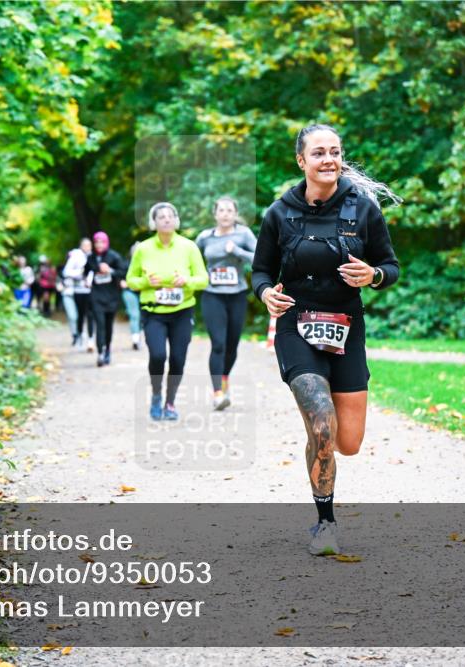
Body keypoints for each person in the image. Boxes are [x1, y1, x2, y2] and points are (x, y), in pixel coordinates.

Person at [251, 123, 400, 556]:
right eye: (318, 153)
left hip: (347, 327)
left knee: (346, 442)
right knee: (321, 422)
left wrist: (372, 276)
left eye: (335, 151)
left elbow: (390, 266)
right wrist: (266, 293)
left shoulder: (363, 209)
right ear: (302, 161)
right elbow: (261, 271)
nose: (329, 159)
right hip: (296, 325)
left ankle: (324, 445)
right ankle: (325, 523)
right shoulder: (280, 213)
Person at [126, 202, 208, 421]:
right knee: (158, 355)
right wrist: (146, 281)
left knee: (178, 359)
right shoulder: (143, 249)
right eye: (161, 216)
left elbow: (203, 279)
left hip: (182, 311)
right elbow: (130, 281)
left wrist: (186, 281)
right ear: (154, 222)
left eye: (170, 215)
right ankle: (155, 394)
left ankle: (170, 402)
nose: (166, 219)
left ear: (176, 220)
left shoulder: (188, 247)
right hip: (153, 312)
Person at [195, 197, 257, 411]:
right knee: (218, 343)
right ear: (215, 214)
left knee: (232, 345)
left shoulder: (244, 234)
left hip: (237, 294)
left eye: (229, 210)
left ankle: (224, 378)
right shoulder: (204, 237)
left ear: (235, 213)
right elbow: (192, 261)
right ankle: (218, 393)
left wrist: (237, 251)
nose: (225, 214)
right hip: (212, 295)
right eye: (221, 210)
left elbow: (259, 257)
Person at [86, 231, 125, 367]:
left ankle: (107, 349)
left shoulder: (114, 256)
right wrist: (88, 278)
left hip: (112, 297)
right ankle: (100, 353)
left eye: (102, 242)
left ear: (106, 242)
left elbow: (123, 272)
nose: (99, 245)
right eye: (96, 242)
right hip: (96, 297)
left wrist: (110, 271)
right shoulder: (90, 258)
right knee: (100, 324)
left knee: (108, 326)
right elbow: (86, 272)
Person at [65, 238, 95, 351]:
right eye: (85, 245)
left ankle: (91, 340)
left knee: (91, 315)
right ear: (81, 246)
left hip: (91, 291)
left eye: (89, 245)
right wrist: (80, 273)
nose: (87, 247)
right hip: (78, 291)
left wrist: (91, 281)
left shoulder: (93, 256)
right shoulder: (75, 256)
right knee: (80, 316)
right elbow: (66, 271)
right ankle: (80, 336)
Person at [60, 247, 86, 346]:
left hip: (79, 293)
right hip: (68, 294)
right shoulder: (63, 270)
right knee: (72, 316)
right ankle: (75, 334)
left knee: (80, 316)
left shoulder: (83, 269)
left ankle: (79, 333)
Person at [121, 242, 143, 350]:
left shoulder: (149, 264)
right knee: (134, 315)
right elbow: (119, 276)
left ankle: (140, 336)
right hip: (129, 292)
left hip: (145, 293)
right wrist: (122, 282)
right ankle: (135, 339)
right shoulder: (126, 264)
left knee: (144, 316)